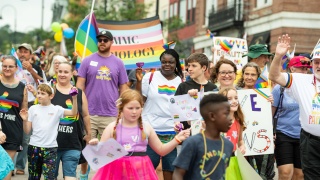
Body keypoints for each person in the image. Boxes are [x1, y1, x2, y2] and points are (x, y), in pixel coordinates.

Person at [88, 89, 190, 179]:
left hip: (141, 174)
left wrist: (177, 139)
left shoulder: (146, 127)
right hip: (117, 174)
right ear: (121, 108)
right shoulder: (112, 127)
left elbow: (161, 150)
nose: (134, 112)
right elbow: (100, 157)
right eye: (130, 108)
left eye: (137, 108)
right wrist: (95, 145)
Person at [269, 34, 320, 179]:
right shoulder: (301, 80)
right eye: (316, 62)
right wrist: (278, 55)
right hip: (309, 141)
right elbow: (274, 76)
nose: (319, 66)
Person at [136, 48, 183, 180]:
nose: (167, 65)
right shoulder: (150, 77)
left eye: (171, 62)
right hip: (151, 131)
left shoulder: (180, 81)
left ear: (176, 63)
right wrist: (139, 82)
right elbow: (139, 101)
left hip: (171, 132)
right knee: (147, 170)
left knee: (170, 169)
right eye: (164, 62)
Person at [19, 83, 78, 180]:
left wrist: (74, 98)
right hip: (34, 147)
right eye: (38, 93)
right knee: (33, 176)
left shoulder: (57, 109)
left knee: (49, 177)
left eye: (43, 93)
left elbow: (73, 113)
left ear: (51, 96)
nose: (39, 95)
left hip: (51, 148)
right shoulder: (33, 109)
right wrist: (25, 120)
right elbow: (27, 130)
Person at [172, 93, 234, 179]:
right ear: (212, 116)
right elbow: (178, 174)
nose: (230, 118)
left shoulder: (228, 145)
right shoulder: (193, 143)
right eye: (226, 114)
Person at [51, 62, 91, 180]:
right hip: (51, 144)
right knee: (50, 176)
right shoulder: (51, 91)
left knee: (70, 176)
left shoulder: (78, 93)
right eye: (60, 71)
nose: (62, 74)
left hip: (73, 143)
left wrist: (88, 134)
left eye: (66, 72)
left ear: (72, 74)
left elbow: (85, 115)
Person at [272, 56, 309, 180]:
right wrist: (270, 132)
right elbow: (270, 113)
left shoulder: (310, 88)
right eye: (301, 69)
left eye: (306, 69)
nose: (304, 72)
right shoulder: (279, 88)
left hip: (304, 135)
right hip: (284, 133)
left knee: (300, 175)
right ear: (292, 69)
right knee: (285, 172)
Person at [15, 43, 43, 176]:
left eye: (25, 51)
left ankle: (20, 166)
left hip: (31, 106)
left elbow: (43, 84)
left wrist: (31, 70)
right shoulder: (12, 67)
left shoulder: (36, 68)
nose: (22, 54)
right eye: (20, 51)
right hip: (14, 105)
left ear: (31, 54)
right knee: (11, 136)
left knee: (26, 138)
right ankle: (9, 165)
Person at [0, 55, 28, 180]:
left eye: (10, 66)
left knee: (5, 166)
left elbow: (24, 111)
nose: (7, 68)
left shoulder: (22, 87)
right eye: (4, 66)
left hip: (13, 131)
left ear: (16, 68)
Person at [175, 53, 217, 130]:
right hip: (187, 134)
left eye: (194, 66)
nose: (189, 69)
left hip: (208, 133)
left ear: (204, 68)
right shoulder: (183, 86)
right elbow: (176, 111)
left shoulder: (213, 88)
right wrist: (177, 124)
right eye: (189, 65)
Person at [218, 87, 246, 179]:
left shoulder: (238, 122)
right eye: (229, 99)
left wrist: (242, 146)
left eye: (236, 98)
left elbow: (240, 140)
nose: (234, 101)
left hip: (233, 161)